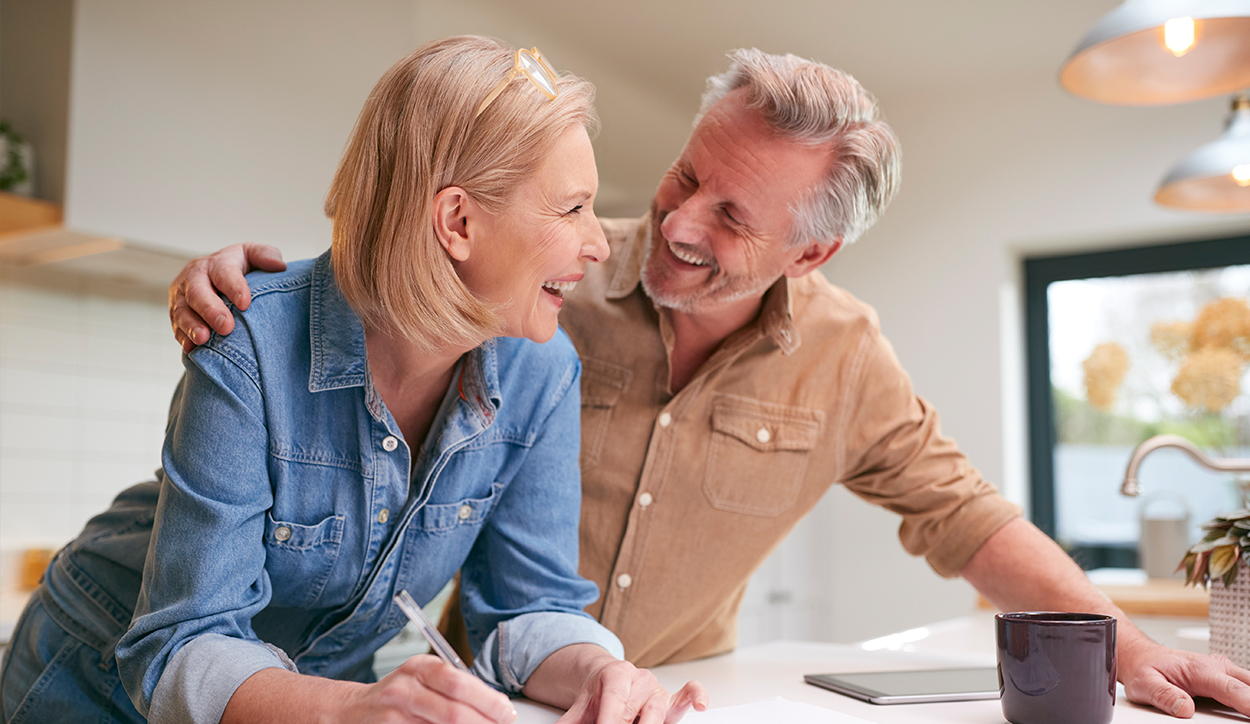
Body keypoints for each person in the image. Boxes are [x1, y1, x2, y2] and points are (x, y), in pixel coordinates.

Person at [168, 48, 1250, 718]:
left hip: (679, 694)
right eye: (687, 175)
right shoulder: (543, 292)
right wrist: (274, 285)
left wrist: (1129, 642)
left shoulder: (842, 357)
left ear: (809, 254)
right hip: (479, 693)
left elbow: (963, 517)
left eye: (732, 216)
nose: (674, 225)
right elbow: (388, 286)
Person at [0, 36, 706, 724]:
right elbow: (183, 647)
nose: (598, 241)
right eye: (572, 207)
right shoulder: (253, 339)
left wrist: (603, 671)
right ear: (458, 221)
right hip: (98, 684)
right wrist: (357, 708)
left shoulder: (541, 371)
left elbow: (531, 607)